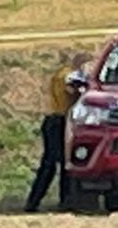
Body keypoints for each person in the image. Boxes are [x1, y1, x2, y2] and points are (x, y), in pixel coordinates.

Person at [26, 51, 88, 213]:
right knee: (61, 163)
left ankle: (36, 200)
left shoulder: (59, 75)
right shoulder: (69, 76)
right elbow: (73, 90)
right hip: (60, 121)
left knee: (51, 164)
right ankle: (64, 200)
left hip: (53, 119)